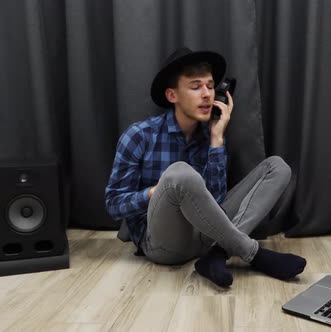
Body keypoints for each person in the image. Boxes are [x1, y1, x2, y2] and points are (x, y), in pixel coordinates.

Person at [105, 47, 306, 287]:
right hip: (163, 245)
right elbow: (114, 204)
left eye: (210, 86)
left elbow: (216, 201)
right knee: (180, 173)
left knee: (278, 167)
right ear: (172, 96)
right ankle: (253, 254)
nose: (207, 94)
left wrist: (217, 139)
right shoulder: (139, 135)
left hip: (207, 236)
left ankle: (217, 255)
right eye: (195, 86)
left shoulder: (210, 135)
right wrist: (152, 192)